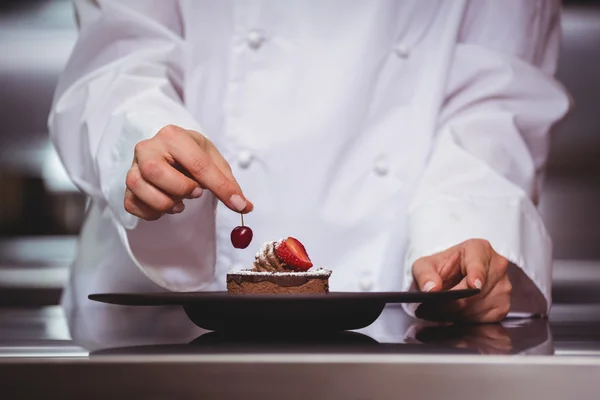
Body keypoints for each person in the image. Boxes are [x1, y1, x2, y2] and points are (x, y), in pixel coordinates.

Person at [48, 0, 570, 323]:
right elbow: (118, 52)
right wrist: (143, 134)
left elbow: (497, 98)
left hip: (397, 317)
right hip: (160, 319)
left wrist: (463, 233)